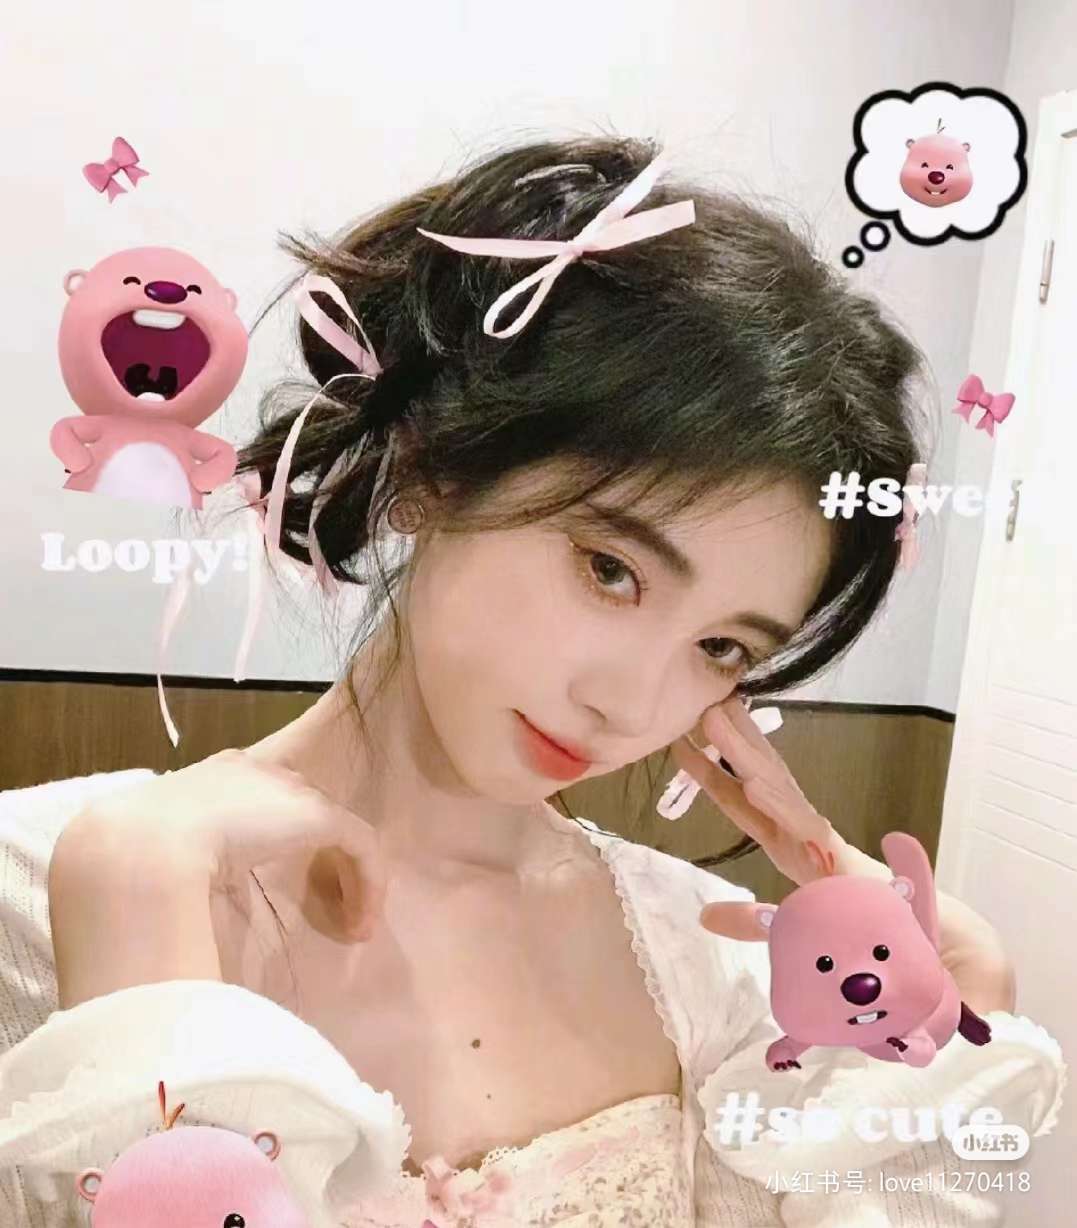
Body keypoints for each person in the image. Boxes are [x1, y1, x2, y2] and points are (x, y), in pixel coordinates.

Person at [0, 136, 1063, 1227]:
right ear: (427, 466)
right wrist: (138, 911)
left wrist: (961, 980)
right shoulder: (37, 892)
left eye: (721, 648)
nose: (630, 706)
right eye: (610, 569)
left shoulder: (704, 960)